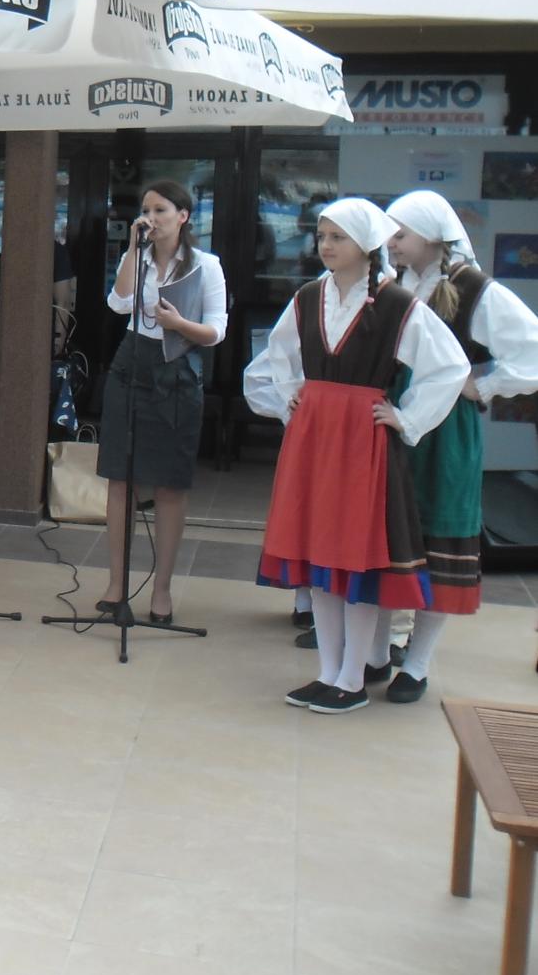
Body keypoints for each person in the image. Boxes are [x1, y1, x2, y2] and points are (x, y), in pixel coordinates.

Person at [245, 198, 468, 714]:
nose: (325, 245)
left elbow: (449, 366)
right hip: (316, 434)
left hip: (361, 440)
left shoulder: (395, 305)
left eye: (337, 237)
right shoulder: (308, 297)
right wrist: (291, 395)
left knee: (354, 556)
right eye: (322, 235)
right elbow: (278, 351)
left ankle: (352, 678)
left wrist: (406, 418)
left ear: (367, 245)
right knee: (319, 552)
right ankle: (329, 671)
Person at [374, 191, 538, 701]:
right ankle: (379, 650)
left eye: (400, 234)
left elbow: (532, 350)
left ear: (431, 236)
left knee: (439, 539)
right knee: (389, 537)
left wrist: (483, 385)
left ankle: (417, 663)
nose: (391, 243)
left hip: (446, 431)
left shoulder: (474, 289)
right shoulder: (395, 282)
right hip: (394, 422)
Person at [96, 180, 229, 623]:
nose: (150, 218)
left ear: (183, 216)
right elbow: (118, 304)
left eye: (160, 210)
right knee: (121, 479)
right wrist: (133, 251)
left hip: (177, 369)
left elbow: (216, 331)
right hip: (131, 364)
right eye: (146, 210)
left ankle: (162, 590)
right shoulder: (138, 257)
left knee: (170, 484)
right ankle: (116, 585)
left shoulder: (206, 265)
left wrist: (180, 324)